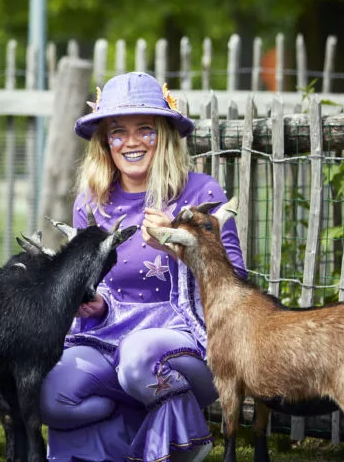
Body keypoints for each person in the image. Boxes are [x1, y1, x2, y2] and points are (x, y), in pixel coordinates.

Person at [40, 71, 247, 462]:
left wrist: (179, 247)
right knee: (50, 391)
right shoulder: (90, 202)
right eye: (117, 131)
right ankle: (137, 434)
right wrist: (94, 304)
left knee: (138, 360)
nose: (131, 142)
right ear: (105, 141)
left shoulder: (201, 191)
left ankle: (179, 445)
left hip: (188, 340)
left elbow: (236, 282)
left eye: (144, 129)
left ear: (165, 135)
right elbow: (96, 284)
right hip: (108, 338)